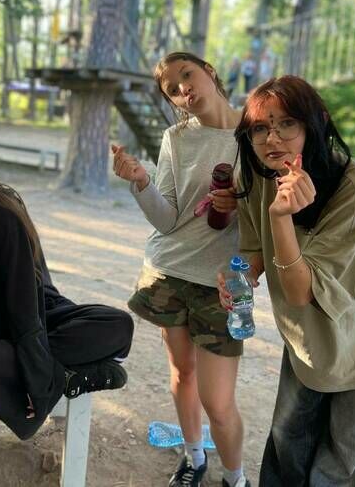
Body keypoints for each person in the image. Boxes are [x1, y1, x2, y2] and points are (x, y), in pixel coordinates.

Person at [219, 75, 355, 486]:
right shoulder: (256, 175)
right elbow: (255, 248)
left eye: (287, 123)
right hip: (311, 335)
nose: (272, 138)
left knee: (343, 461)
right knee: (288, 444)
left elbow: (301, 290)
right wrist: (241, 275)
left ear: (317, 122)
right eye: (260, 128)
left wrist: (281, 217)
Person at [0, 143, 134, 440]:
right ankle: (68, 377)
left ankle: (44, 377)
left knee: (118, 325)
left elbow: (25, 302)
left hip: (37, 312)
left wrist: (37, 380)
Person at [112, 51, 250, 487]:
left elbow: (270, 212)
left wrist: (240, 203)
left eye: (187, 75)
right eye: (172, 89)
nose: (183, 88)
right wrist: (141, 182)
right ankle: (193, 457)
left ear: (209, 71)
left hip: (222, 284)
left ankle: (236, 478)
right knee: (182, 373)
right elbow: (168, 219)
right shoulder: (176, 137)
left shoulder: (256, 131)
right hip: (169, 273)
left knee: (219, 402)